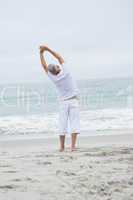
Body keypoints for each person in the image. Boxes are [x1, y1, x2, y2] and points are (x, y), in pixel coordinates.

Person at [39, 45, 80, 152]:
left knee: (62, 124)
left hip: (63, 103)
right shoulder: (66, 72)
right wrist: (47, 49)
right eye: (57, 66)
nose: (59, 66)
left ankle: (62, 147)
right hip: (73, 101)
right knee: (74, 123)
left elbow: (44, 66)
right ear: (57, 69)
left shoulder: (54, 78)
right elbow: (59, 57)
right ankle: (73, 146)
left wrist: (41, 53)